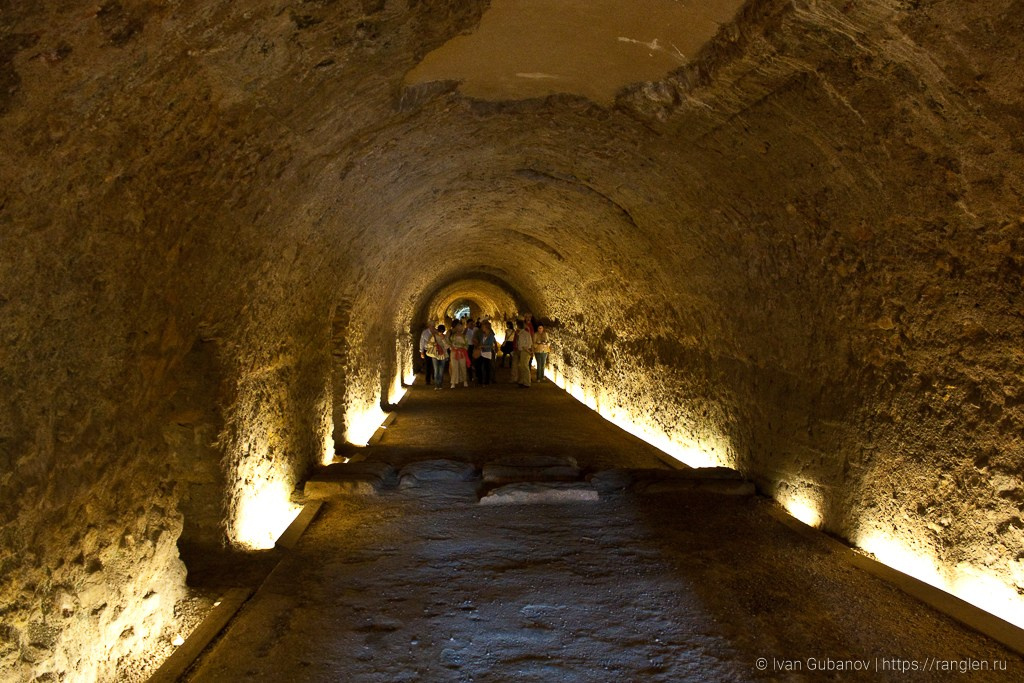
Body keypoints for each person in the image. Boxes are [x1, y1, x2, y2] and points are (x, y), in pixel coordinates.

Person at [424, 325, 448, 390]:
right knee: (436, 370)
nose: (441, 333)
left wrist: (443, 339)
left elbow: (447, 346)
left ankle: (439, 384)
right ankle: (437, 384)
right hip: (435, 355)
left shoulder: (445, 337)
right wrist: (433, 344)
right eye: (440, 331)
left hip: (442, 355)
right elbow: (428, 345)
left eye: (442, 331)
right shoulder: (434, 336)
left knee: (440, 371)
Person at [447, 322, 470, 388]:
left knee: (463, 366)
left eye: (461, 327)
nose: (459, 328)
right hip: (454, 352)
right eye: (458, 327)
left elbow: (467, 345)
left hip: (462, 352)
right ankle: (453, 382)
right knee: (454, 367)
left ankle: (464, 380)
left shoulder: (464, 336)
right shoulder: (452, 336)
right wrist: (452, 347)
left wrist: (463, 348)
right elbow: (449, 343)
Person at [514, 319, 533, 387]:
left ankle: (526, 382)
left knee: (524, 367)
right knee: (522, 366)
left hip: (524, 351)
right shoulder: (525, 333)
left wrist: (528, 352)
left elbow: (524, 345)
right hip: (524, 351)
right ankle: (522, 381)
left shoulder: (522, 334)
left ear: (518, 326)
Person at [477, 321, 497, 386]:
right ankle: (480, 380)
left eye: (483, 327)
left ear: (486, 327)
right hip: (482, 352)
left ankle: (486, 381)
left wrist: (482, 346)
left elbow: (490, 345)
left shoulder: (491, 336)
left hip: (487, 352)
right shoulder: (483, 335)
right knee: (480, 366)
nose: (482, 328)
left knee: (486, 367)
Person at [418, 321, 435, 386]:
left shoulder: (435, 332)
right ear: (429, 326)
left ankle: (434, 378)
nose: (433, 327)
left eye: (433, 326)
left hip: (434, 350)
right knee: (428, 365)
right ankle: (428, 380)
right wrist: (421, 351)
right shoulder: (424, 333)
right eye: (432, 326)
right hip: (427, 350)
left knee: (434, 364)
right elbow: (422, 342)